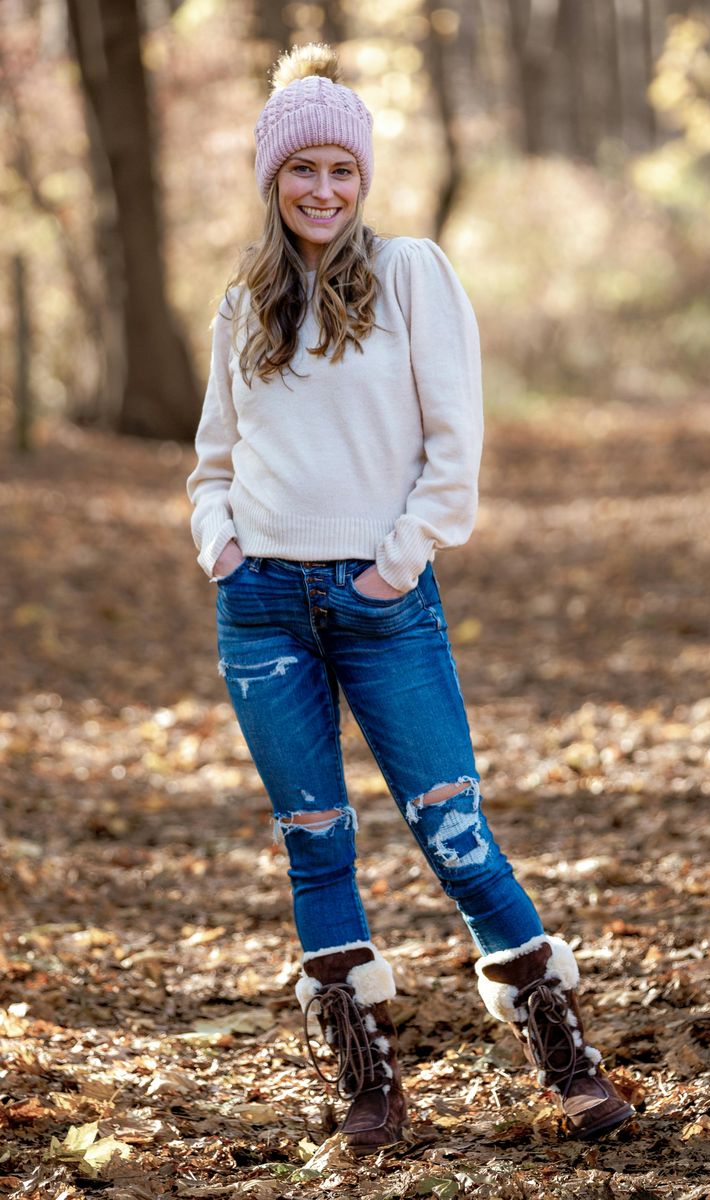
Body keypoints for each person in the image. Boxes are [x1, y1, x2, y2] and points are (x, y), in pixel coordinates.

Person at [186, 42, 634, 1154]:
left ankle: (566, 1059)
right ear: (272, 179)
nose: (322, 190)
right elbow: (211, 461)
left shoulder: (411, 274)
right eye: (302, 170)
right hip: (260, 607)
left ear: (364, 176)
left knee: (453, 829)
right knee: (314, 841)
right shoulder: (242, 303)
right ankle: (369, 1085)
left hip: (381, 601)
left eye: (341, 169)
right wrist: (221, 548)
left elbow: (452, 445)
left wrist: (397, 559)